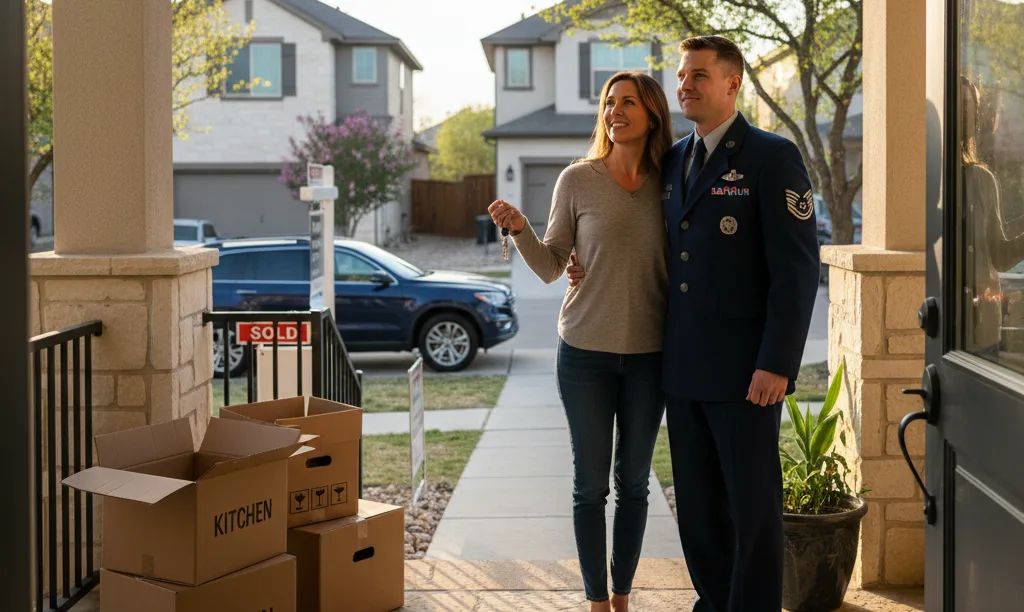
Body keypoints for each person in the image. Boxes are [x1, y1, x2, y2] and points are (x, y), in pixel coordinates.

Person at [568, 36, 820, 611]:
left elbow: (797, 271)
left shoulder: (770, 157)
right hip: (681, 370)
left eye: (699, 75)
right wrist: (581, 257)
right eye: (682, 75)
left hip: (746, 375)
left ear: (732, 85)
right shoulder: (675, 159)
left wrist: (777, 363)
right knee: (700, 509)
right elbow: (637, 232)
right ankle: (713, 601)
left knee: (752, 508)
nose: (685, 84)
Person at [487, 71, 674, 612]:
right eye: (610, 102)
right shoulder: (576, 180)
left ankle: (622, 596)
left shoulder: (673, 180)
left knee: (635, 483)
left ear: (653, 114)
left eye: (629, 103)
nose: (616, 111)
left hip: (650, 356)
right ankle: (596, 601)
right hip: (585, 354)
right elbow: (550, 267)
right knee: (590, 485)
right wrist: (521, 227)